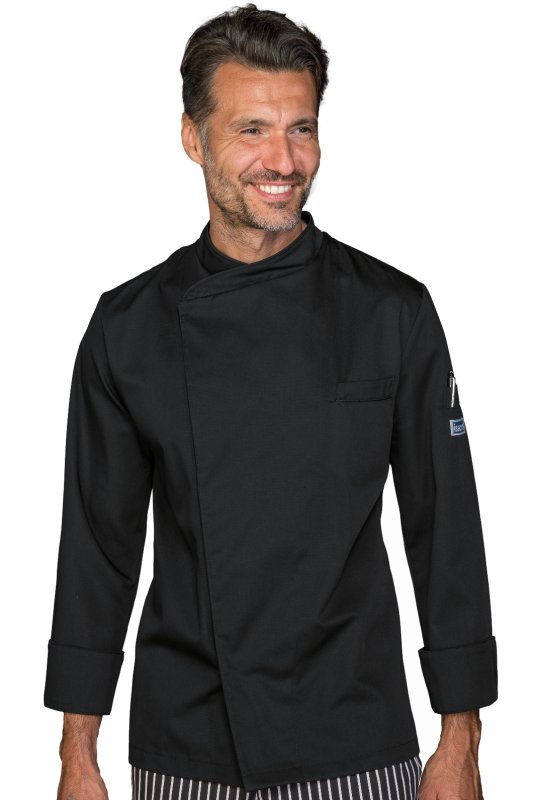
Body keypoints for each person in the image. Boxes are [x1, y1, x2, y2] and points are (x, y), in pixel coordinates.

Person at [43, 4, 498, 800]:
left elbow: (445, 534)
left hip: (357, 735)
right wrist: (76, 754)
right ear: (193, 138)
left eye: (301, 129)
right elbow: (97, 550)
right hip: (185, 742)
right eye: (250, 130)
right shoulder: (128, 327)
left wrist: (459, 740)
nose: (282, 160)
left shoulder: (391, 311)